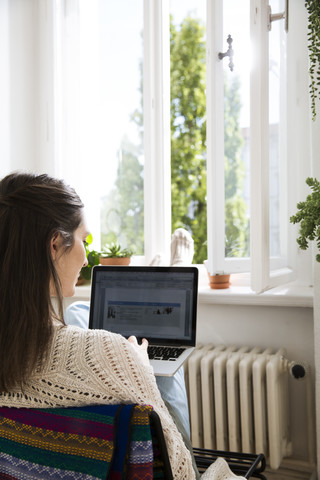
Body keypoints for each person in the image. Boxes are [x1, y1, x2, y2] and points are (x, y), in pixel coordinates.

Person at [0, 171, 246, 480]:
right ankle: (171, 274)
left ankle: (164, 273)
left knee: (78, 311)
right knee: (165, 369)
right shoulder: (112, 355)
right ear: (53, 245)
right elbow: (180, 471)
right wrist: (138, 365)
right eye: (82, 240)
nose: (86, 256)